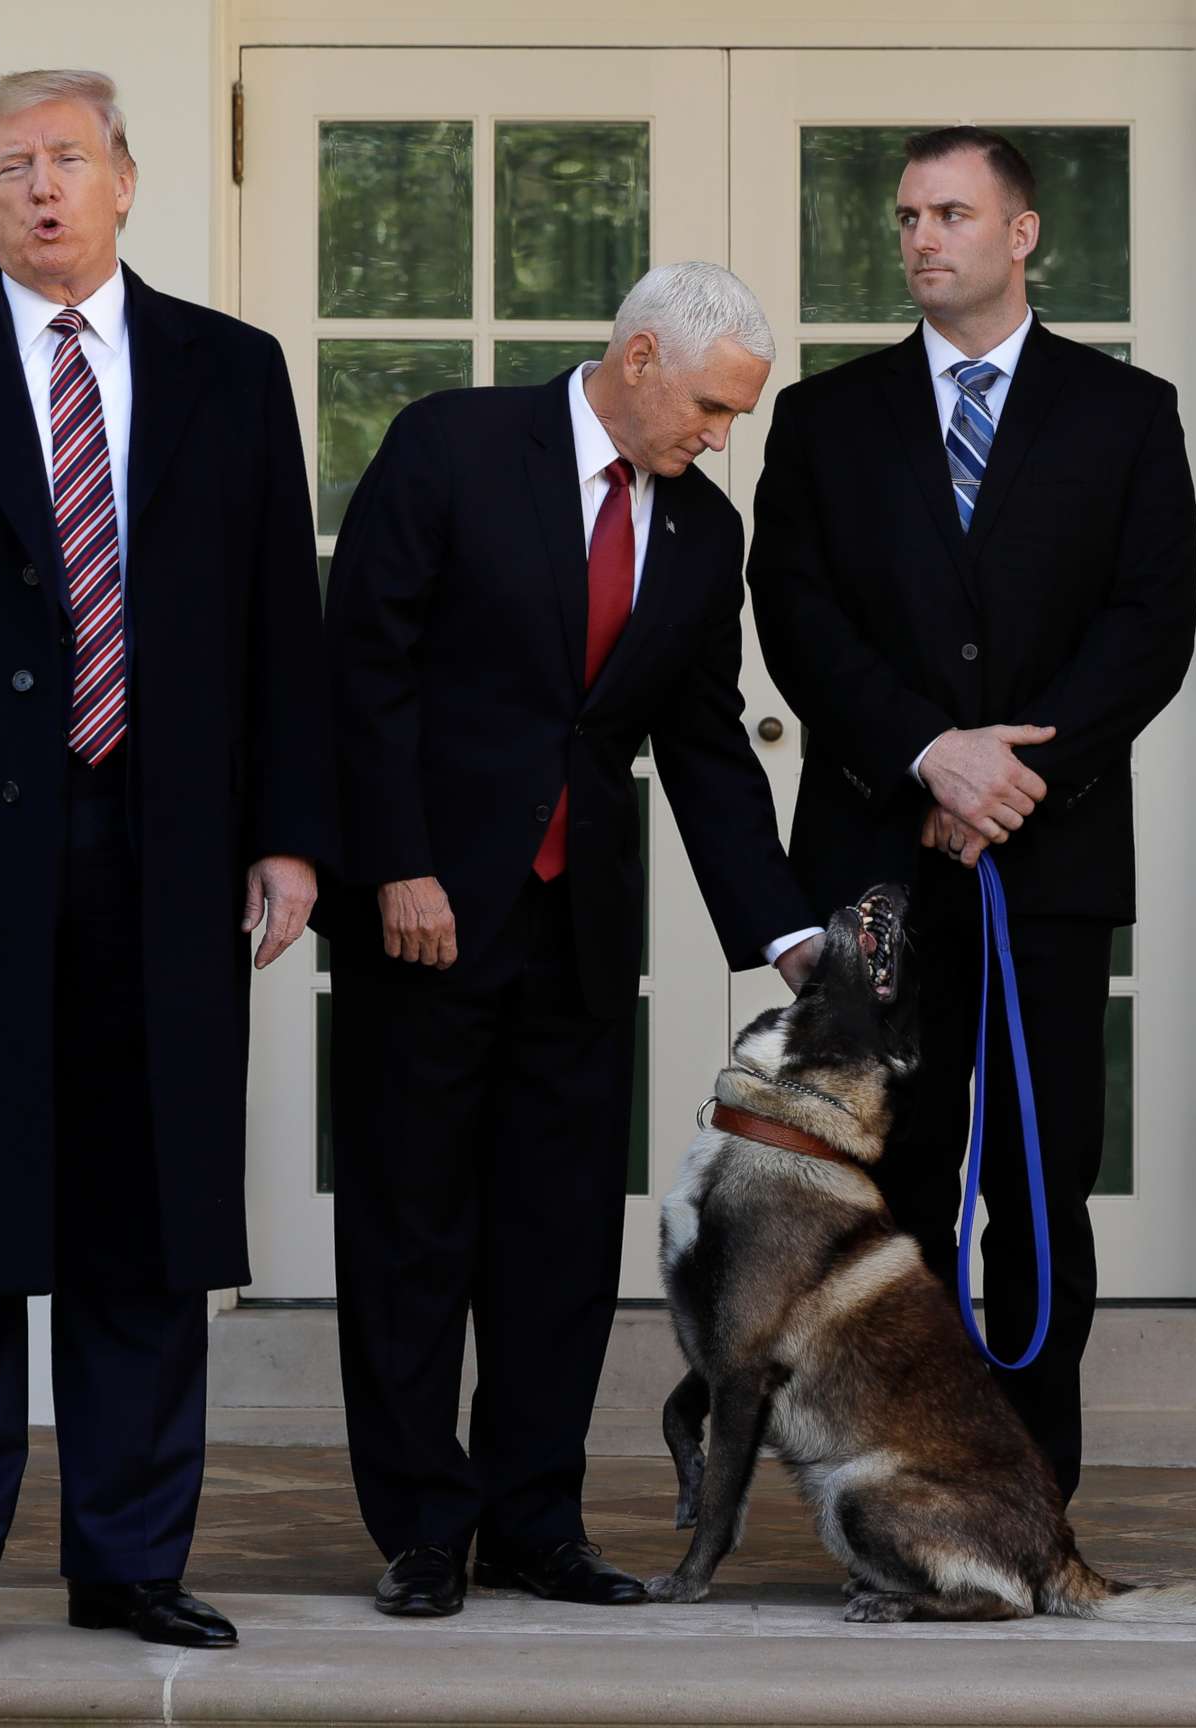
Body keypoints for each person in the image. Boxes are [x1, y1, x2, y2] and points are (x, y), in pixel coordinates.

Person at [0, 68, 332, 1658]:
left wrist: (290, 835)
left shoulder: (232, 371)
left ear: (128, 179)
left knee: (147, 1229)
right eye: (7, 166)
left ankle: (130, 1558)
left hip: (169, 857)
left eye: (68, 158)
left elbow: (276, 629)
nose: (41, 187)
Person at [321, 261, 821, 1618]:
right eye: (713, 405)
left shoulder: (704, 534)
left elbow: (706, 745)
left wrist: (786, 936)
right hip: (420, 923)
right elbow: (358, 664)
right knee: (414, 1234)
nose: (719, 436)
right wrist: (397, 865)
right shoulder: (455, 445)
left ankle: (534, 1525)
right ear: (643, 355)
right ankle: (426, 1530)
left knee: (553, 1248)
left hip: (580, 937)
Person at [748, 127, 1196, 1506]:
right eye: (908, 217)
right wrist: (930, 754)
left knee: (1039, 1181)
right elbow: (797, 616)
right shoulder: (827, 419)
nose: (923, 238)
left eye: (952, 213)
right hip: (877, 870)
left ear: (1022, 236)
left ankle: (1026, 1496)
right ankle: (896, 1483)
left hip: (1045, 870)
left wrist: (1016, 780)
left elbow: (1149, 625)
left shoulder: (1126, 414)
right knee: (887, 1190)